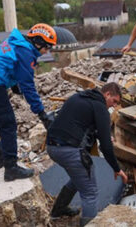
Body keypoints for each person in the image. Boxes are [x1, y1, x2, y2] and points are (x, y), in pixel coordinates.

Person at [0, 23, 56, 181]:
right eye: (47, 47)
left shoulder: (17, 42)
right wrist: (42, 113)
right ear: (38, 42)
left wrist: (14, 85)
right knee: (8, 124)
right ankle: (11, 168)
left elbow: (8, 64)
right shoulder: (26, 53)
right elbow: (28, 86)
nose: (47, 51)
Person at [47, 83, 129, 225]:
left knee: (79, 177)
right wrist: (116, 169)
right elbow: (106, 146)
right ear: (107, 94)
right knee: (90, 193)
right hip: (70, 151)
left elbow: (77, 123)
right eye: (114, 101)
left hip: (52, 148)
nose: (114, 106)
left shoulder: (78, 97)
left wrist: (99, 134)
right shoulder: (100, 107)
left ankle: (58, 210)